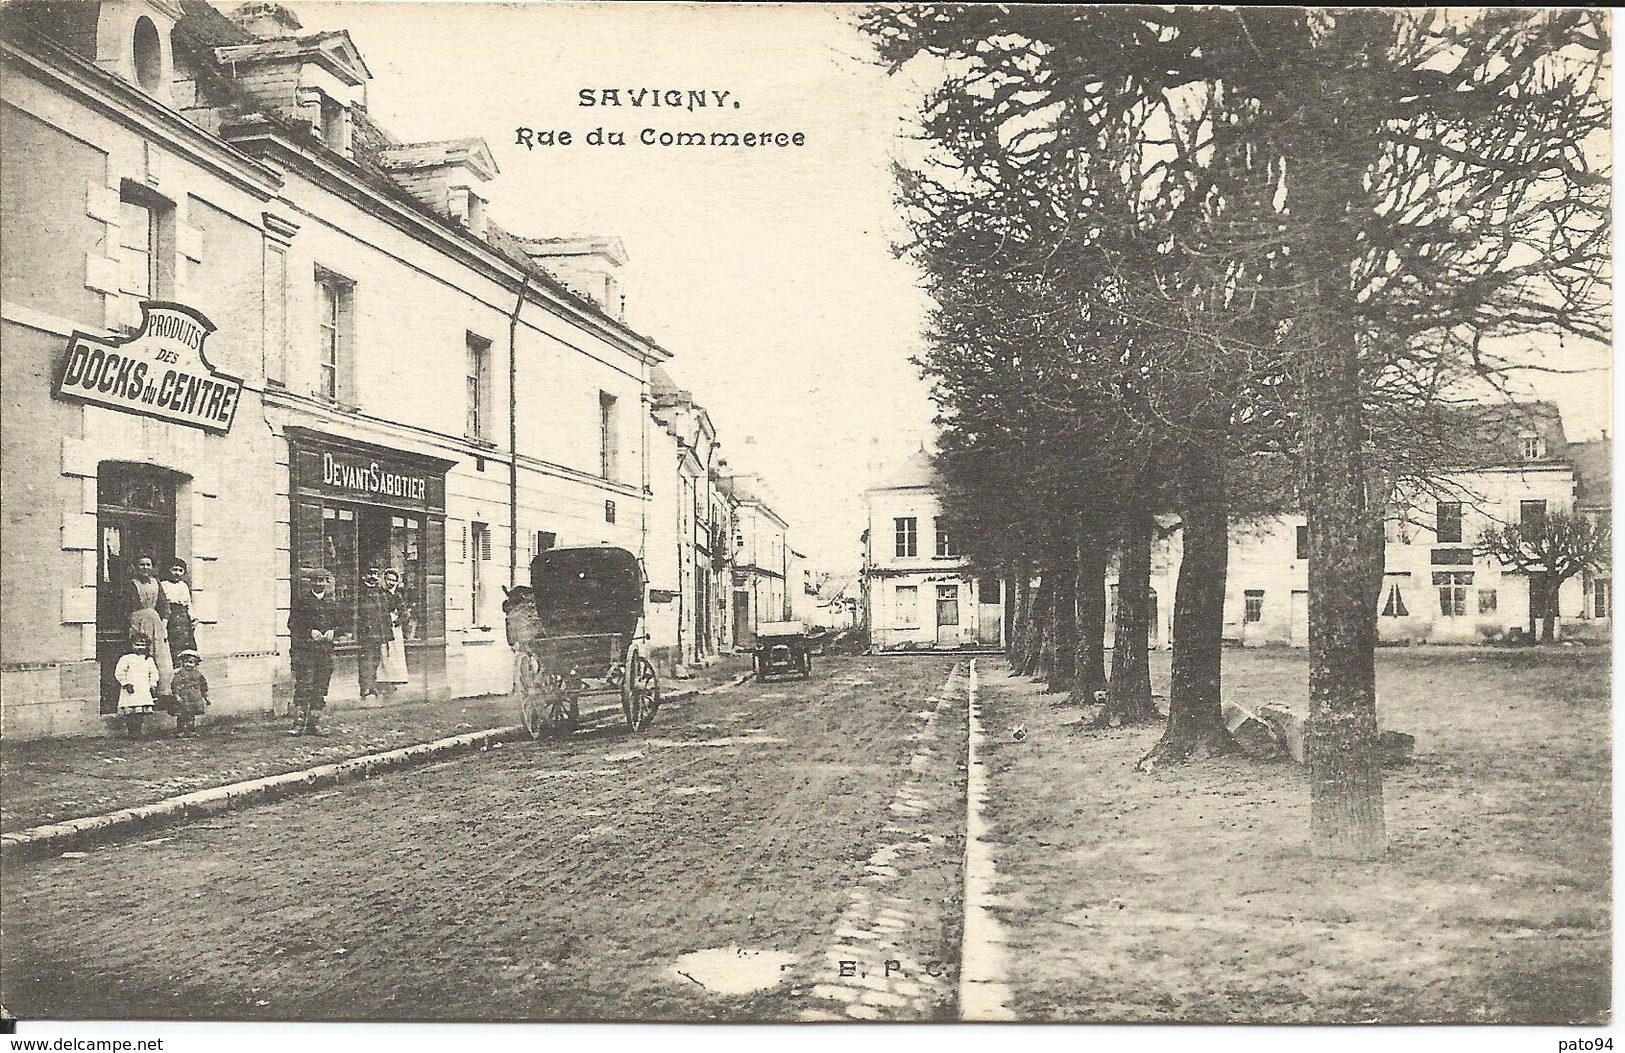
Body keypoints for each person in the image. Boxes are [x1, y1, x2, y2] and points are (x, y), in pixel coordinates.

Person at [288, 567, 340, 736]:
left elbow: (344, 623)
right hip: (306, 652)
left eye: (322, 580)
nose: (319, 583)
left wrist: (334, 631)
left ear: (327, 582)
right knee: (304, 686)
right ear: (310, 582)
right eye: (316, 580)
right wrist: (309, 631)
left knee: (320, 687)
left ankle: (314, 723)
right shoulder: (302, 602)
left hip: (325, 651)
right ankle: (298, 724)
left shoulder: (332, 603)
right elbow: (292, 624)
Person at [124, 556, 173, 702]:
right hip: (138, 621)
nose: (145, 567)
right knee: (141, 654)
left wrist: (163, 625)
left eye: (148, 564)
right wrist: (132, 623)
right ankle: (141, 692)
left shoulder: (156, 583)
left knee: (159, 654)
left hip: (155, 622)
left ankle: (160, 691)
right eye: (141, 564)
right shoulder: (131, 584)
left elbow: (164, 606)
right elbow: (125, 606)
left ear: (152, 567)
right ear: (136, 567)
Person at [114, 633, 161, 739]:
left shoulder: (148, 659)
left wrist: (152, 684)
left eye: (142, 645)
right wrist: (125, 683)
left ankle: (138, 731)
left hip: (143, 689)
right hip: (131, 689)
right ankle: (131, 731)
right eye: (137, 645)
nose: (140, 648)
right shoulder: (126, 658)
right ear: (131, 645)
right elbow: (119, 672)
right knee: (130, 712)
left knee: (140, 712)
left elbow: (153, 672)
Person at [355, 564, 392, 698]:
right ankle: (365, 687)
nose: (373, 577)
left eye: (376, 574)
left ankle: (372, 685)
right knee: (366, 660)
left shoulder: (380, 592)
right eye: (370, 573)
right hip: (365, 633)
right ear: (364, 576)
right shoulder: (360, 591)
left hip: (378, 632)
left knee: (375, 659)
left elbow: (385, 612)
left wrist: (387, 633)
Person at [375, 568, 411, 689]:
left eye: (393, 581)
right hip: (382, 625)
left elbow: (404, 612)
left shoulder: (397, 596)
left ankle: (395, 677)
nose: (391, 583)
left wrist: (398, 620)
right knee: (384, 652)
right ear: (384, 580)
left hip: (394, 627)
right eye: (388, 579)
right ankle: (384, 678)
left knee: (395, 652)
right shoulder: (380, 594)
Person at [160, 559, 198, 655]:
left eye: (180, 571)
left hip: (183, 619)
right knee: (172, 643)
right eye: (174, 570)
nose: (177, 573)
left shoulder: (184, 586)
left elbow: (188, 603)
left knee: (185, 642)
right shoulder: (164, 584)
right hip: (170, 617)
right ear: (169, 570)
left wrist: (193, 618)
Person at [170, 649, 209, 737]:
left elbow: (203, 686)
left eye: (191, 662)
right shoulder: (179, 674)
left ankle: (190, 730)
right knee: (182, 715)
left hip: (194, 697)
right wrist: (177, 695)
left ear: (196, 664)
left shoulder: (198, 675)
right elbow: (175, 684)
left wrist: (206, 697)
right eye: (185, 662)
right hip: (184, 698)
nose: (188, 664)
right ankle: (180, 730)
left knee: (191, 715)